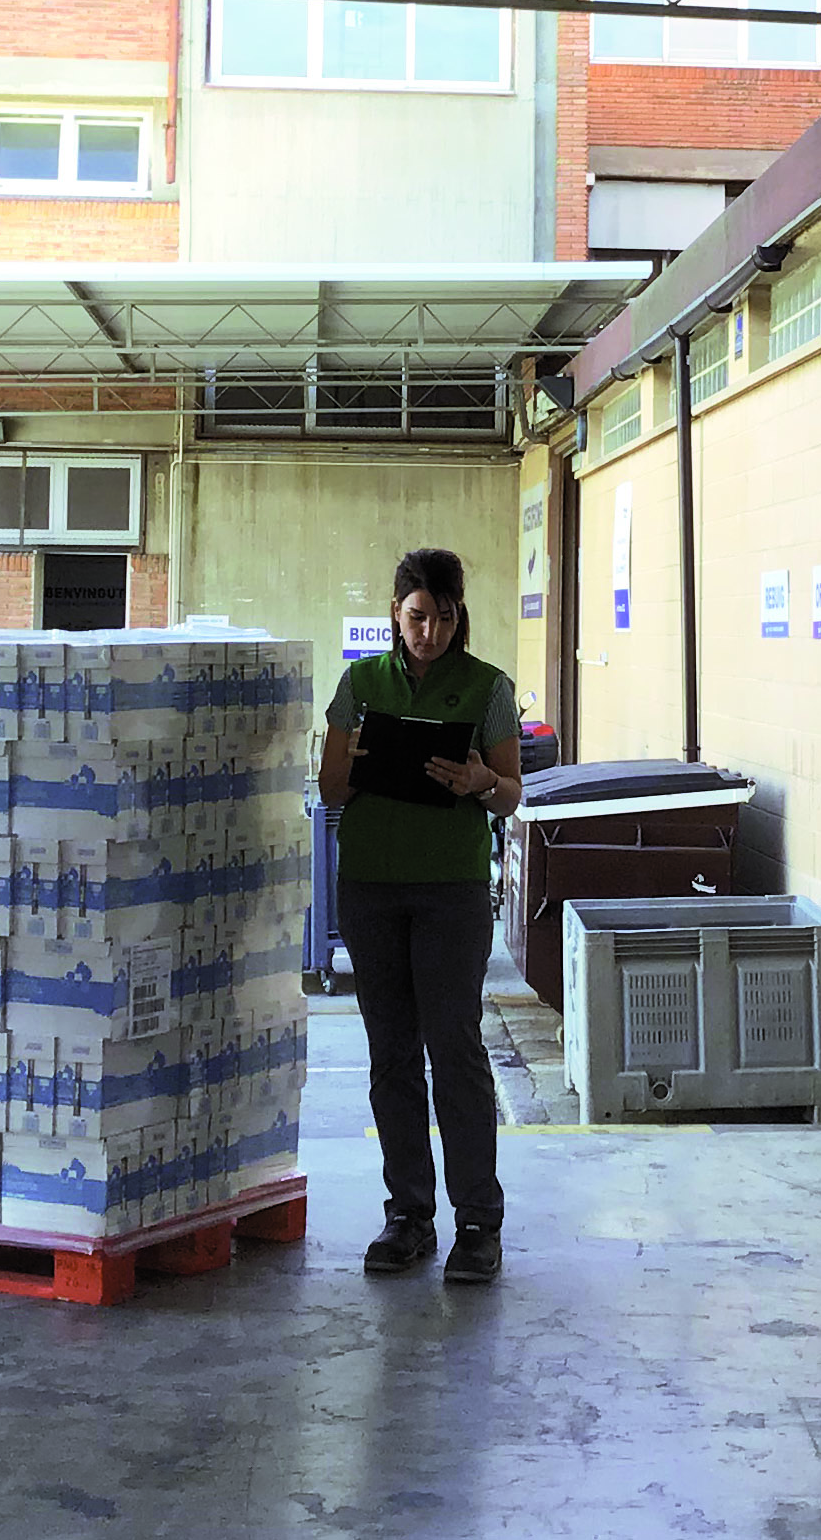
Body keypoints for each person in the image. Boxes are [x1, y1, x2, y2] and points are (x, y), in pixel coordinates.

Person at [318, 547, 523, 1284]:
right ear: (394, 615)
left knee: (455, 1050)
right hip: (372, 887)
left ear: (458, 616)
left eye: (441, 617)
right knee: (392, 1055)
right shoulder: (358, 684)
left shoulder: (488, 687)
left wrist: (479, 779)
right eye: (414, 616)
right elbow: (332, 788)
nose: (427, 631)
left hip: (451, 892)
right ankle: (408, 1214)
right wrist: (363, 754)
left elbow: (511, 794)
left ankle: (478, 1222)